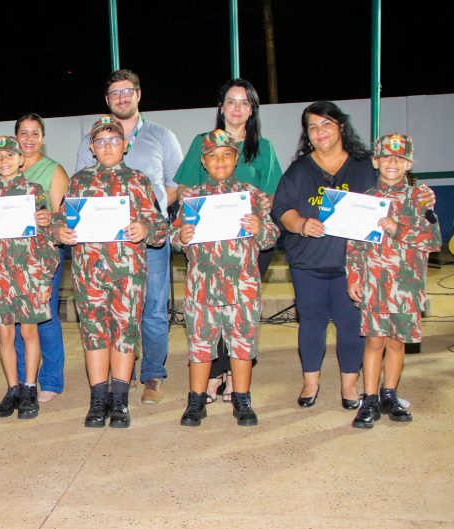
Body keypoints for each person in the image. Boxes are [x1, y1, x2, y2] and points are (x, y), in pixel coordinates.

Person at [76, 69, 183, 405]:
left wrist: (145, 215)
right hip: (101, 245)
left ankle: (151, 375)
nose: (121, 97)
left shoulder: (162, 135)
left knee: (151, 310)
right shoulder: (91, 139)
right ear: (107, 100)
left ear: (138, 94)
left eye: (127, 91)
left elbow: (174, 184)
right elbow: (81, 191)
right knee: (108, 313)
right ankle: (113, 379)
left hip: (145, 239)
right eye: (114, 93)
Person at [173, 79, 283, 402]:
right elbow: (185, 191)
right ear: (221, 107)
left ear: (252, 109)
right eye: (231, 101)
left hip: (245, 244)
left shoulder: (264, 148)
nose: (237, 108)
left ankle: (237, 382)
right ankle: (212, 375)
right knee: (208, 311)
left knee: (239, 313)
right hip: (206, 244)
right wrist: (192, 222)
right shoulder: (200, 143)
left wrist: (256, 224)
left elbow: (272, 195)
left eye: (244, 102)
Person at [57, 116, 167, 428]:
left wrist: (145, 227)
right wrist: (59, 232)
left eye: (114, 140)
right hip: (89, 274)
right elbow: (59, 219)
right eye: (101, 141)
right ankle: (98, 401)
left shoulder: (139, 181)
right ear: (91, 147)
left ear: (126, 145)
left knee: (125, 333)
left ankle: (119, 401)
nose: (108, 146)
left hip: (128, 275)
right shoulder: (78, 182)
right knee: (94, 335)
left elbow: (159, 225)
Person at [271, 101, 379, 409]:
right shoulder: (300, 169)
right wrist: (302, 224)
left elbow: (384, 204)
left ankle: (349, 385)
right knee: (312, 323)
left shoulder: (364, 166)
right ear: (307, 134)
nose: (320, 132)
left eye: (326, 124)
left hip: (352, 266)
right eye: (313, 127)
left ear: (341, 127)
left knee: (350, 324)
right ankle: (310, 381)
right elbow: (282, 210)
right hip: (309, 263)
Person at [346, 134, 440, 428]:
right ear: (375, 161)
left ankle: (389, 394)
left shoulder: (419, 198)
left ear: (408, 163)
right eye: (386, 157)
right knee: (374, 341)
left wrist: (397, 228)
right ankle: (369, 399)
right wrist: (353, 276)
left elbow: (433, 240)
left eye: (399, 158)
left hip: (407, 285)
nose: (392, 163)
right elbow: (355, 243)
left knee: (397, 343)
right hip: (375, 282)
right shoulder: (366, 202)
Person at [0, 136, 58, 419]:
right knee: (4, 334)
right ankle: (13, 389)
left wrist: (44, 280)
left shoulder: (34, 191)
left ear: (20, 159)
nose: (3, 161)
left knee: (29, 332)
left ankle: (30, 388)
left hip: (28, 275)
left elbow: (46, 239)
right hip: (1, 277)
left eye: (9, 155)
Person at [13, 114, 69, 404]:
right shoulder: (5, 168)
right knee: (20, 321)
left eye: (35, 133)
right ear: (16, 136)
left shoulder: (53, 171)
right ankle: (26, 380)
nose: (29, 138)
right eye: (24, 133)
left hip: (44, 256)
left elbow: (65, 215)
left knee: (45, 318)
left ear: (43, 138)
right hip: (12, 259)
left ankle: (51, 380)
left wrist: (50, 219)